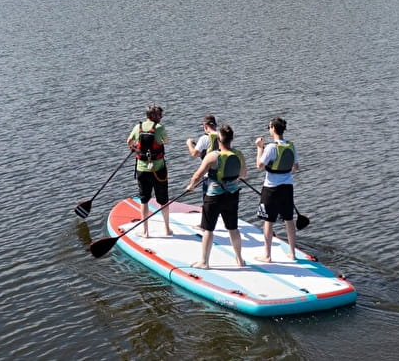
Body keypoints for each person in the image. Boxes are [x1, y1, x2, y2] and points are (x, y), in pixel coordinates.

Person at [184, 124, 247, 269]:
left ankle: (204, 262)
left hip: (214, 196)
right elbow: (243, 174)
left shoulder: (212, 156)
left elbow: (198, 175)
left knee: (208, 229)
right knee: (233, 228)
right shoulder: (239, 154)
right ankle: (239, 259)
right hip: (232, 195)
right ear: (231, 139)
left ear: (219, 140)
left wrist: (191, 186)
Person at [254, 117, 299, 263]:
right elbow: (295, 167)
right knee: (289, 219)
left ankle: (267, 256)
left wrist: (259, 148)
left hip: (271, 188)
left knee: (268, 221)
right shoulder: (291, 146)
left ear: (273, 128)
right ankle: (292, 253)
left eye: (269, 127)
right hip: (287, 187)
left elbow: (259, 166)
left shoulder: (271, 147)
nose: (268, 129)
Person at [126, 104, 172, 237]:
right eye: (159, 115)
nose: (161, 118)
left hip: (141, 169)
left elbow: (129, 142)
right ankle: (167, 229)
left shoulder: (137, 127)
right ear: (152, 116)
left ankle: (145, 232)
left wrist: (135, 147)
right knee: (163, 200)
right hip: (158, 170)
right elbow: (166, 140)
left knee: (144, 200)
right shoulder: (159, 128)